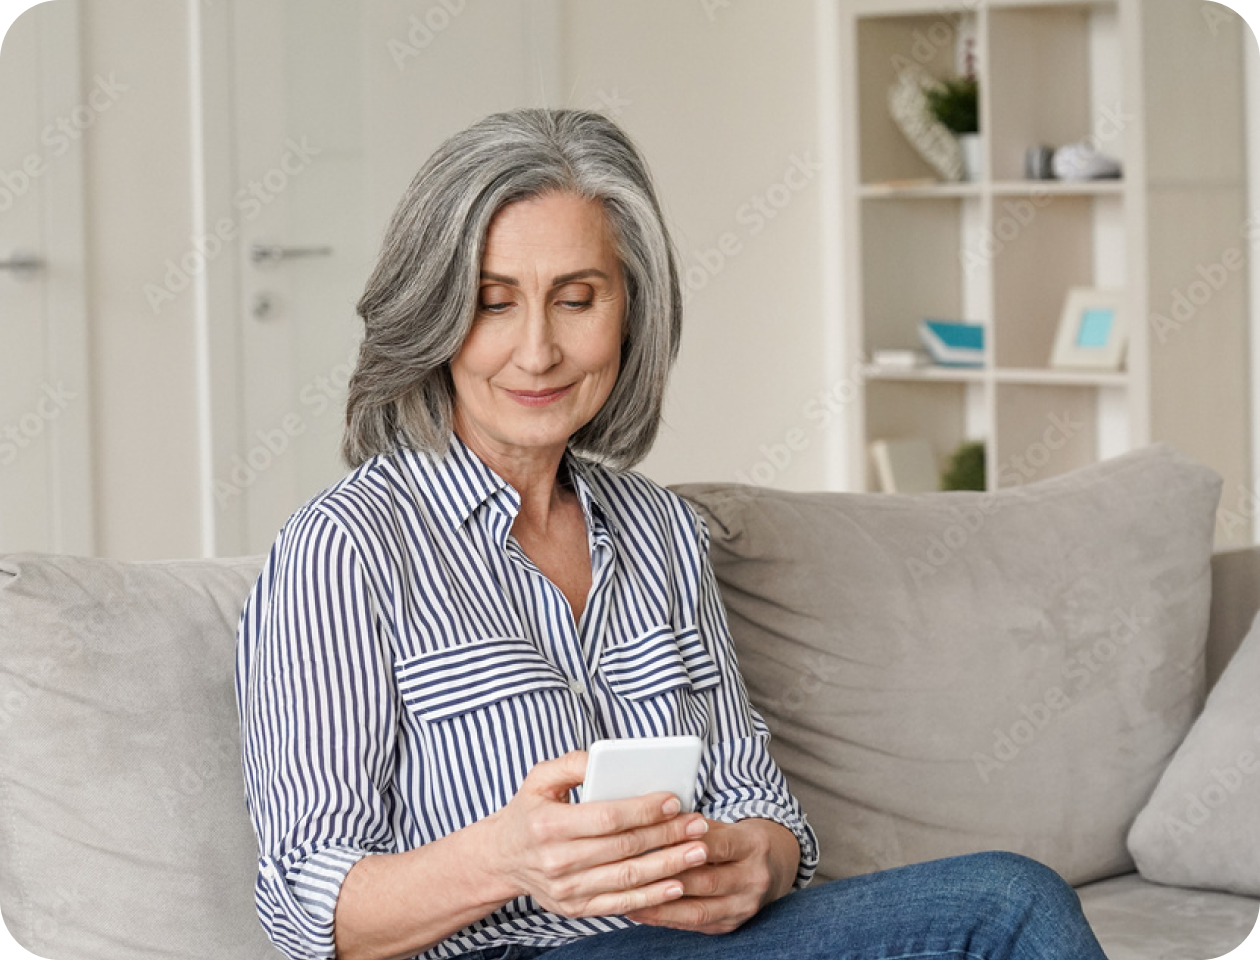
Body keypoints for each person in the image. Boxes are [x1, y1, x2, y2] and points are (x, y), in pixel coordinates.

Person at [235, 107, 1111, 960]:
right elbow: (308, 904)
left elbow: (757, 803)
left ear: (631, 313)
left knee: (1012, 892)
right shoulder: (345, 549)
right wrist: (501, 858)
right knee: (1003, 910)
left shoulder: (659, 532)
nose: (537, 352)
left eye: (577, 299)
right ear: (433, 318)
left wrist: (754, 867)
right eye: (494, 304)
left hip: (698, 941)